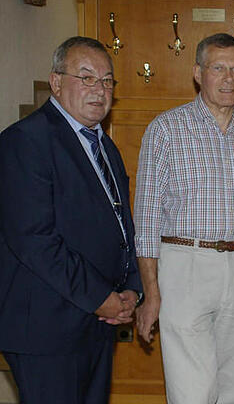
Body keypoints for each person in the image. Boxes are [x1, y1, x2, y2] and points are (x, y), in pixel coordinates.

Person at [0, 36, 141, 403]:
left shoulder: (104, 145)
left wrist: (131, 288)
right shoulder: (24, 141)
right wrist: (100, 298)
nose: (99, 89)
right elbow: (33, 239)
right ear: (57, 82)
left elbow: (121, 224)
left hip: (97, 323)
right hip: (47, 328)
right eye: (86, 77)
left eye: (107, 80)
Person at [133, 33, 234, 404]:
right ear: (197, 73)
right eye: (218, 68)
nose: (228, 78)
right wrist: (151, 291)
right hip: (184, 267)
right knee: (194, 390)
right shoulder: (166, 129)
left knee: (232, 387)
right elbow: (145, 218)